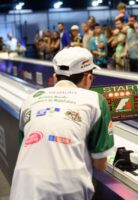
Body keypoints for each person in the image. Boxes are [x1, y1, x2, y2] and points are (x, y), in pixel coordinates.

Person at [10, 47, 114, 199]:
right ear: (88, 77)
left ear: (55, 76)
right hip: (69, 191)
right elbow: (100, 164)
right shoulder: (96, 100)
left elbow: (27, 146)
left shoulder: (30, 99)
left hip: (23, 188)